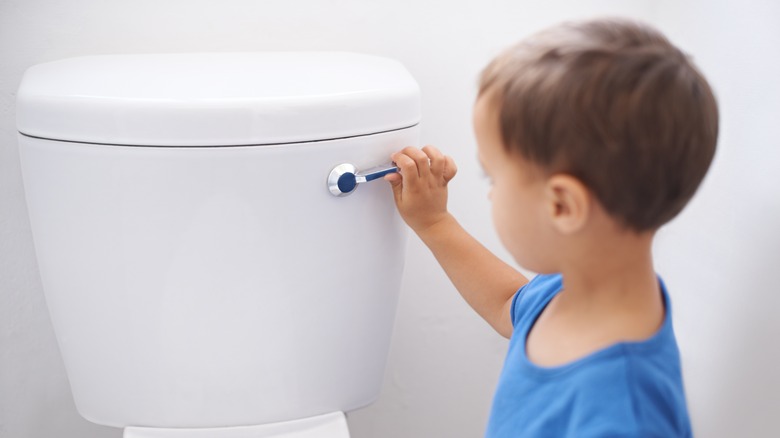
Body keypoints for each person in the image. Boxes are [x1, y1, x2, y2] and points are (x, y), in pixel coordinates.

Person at [384, 17, 718, 437]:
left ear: (562, 206)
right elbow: (511, 304)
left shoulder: (622, 417)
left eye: (494, 178)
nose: (489, 194)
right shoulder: (580, 285)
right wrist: (434, 223)